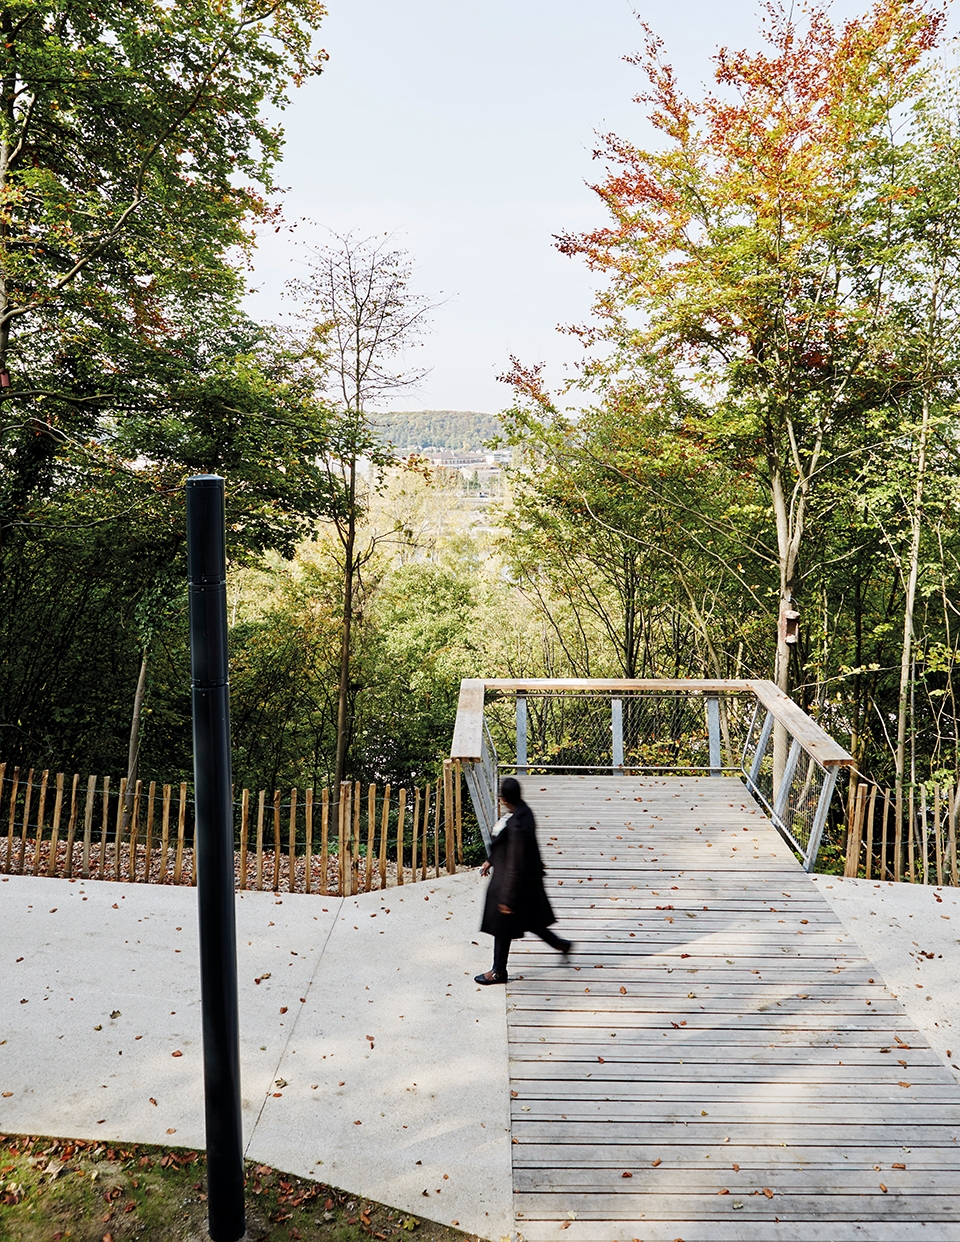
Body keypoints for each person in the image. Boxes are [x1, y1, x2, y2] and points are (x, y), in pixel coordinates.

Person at [475, 776, 572, 984]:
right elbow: (507, 847)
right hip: (528, 883)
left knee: (502, 926)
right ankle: (561, 945)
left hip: (515, 885)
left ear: (504, 799)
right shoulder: (524, 812)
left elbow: (514, 864)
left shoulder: (518, 825)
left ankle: (499, 972)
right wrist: (490, 860)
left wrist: (507, 898)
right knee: (534, 923)